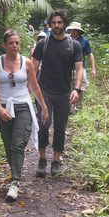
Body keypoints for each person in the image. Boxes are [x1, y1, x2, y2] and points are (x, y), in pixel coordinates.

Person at [0, 30, 49, 201]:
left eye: (17, 43)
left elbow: (34, 86)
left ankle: (14, 182)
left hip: (23, 107)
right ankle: (15, 172)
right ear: (4, 45)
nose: (15, 46)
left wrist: (43, 107)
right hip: (4, 107)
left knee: (18, 144)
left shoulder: (27, 63)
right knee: (8, 145)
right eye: (11, 43)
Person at [31, 9, 83, 177]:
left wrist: (77, 88)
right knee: (43, 124)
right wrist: (31, 88)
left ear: (65, 24)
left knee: (60, 126)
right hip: (44, 90)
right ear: (50, 24)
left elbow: (79, 68)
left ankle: (56, 160)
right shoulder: (43, 44)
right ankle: (42, 158)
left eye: (59, 23)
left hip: (64, 92)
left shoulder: (73, 45)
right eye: (53, 23)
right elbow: (33, 68)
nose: (56, 26)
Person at [66, 22, 95, 113]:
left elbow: (89, 54)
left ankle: (79, 106)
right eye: (72, 30)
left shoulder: (84, 41)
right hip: (68, 67)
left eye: (75, 30)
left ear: (79, 31)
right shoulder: (67, 39)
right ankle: (70, 106)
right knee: (69, 87)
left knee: (81, 87)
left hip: (81, 67)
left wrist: (93, 68)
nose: (73, 32)